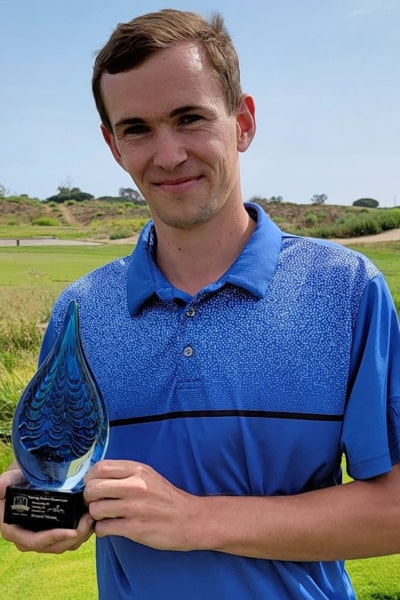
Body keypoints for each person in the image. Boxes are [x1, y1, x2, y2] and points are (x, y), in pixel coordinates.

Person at [1, 8, 400, 599]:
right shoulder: (80, 311)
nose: (167, 155)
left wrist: (193, 520)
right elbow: (63, 474)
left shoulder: (342, 289)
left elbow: (391, 509)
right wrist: (34, 500)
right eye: (136, 128)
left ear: (243, 122)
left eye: (190, 119)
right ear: (113, 146)